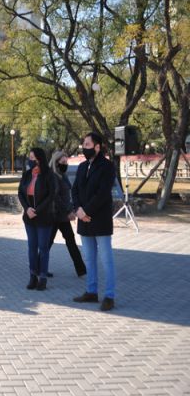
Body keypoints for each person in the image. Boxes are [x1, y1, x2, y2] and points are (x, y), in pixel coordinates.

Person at [71, 132, 117, 311]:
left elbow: (103, 193)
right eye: (83, 144)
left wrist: (86, 210)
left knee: (106, 259)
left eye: (88, 145)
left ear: (97, 147)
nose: (85, 148)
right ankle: (91, 292)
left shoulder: (107, 166)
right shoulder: (82, 167)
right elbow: (75, 190)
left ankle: (109, 296)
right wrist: (78, 210)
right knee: (89, 259)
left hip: (100, 220)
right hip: (84, 220)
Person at [17, 147, 56, 291]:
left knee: (43, 248)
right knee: (32, 248)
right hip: (29, 218)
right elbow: (20, 193)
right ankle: (32, 276)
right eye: (30, 157)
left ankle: (43, 278)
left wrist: (37, 210)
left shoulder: (48, 174)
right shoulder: (27, 174)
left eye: (32, 157)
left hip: (44, 217)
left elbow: (51, 195)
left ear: (39, 159)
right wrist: (27, 209)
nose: (30, 160)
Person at [47, 151, 86, 277]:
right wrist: (69, 211)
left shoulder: (62, 175)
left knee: (70, 242)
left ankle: (81, 270)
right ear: (56, 162)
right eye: (63, 162)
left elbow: (66, 195)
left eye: (66, 162)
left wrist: (71, 209)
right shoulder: (52, 176)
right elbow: (56, 197)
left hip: (62, 216)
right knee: (48, 243)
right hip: (54, 216)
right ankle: (38, 268)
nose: (65, 164)